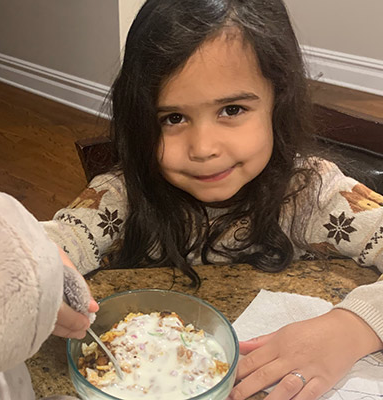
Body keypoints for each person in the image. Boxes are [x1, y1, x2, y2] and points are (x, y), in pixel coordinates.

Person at [42, 0, 383, 399]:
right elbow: (46, 243)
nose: (203, 148)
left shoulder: (313, 193)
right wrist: (36, 263)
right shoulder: (121, 197)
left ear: (279, 101)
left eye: (232, 109)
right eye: (172, 118)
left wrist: (356, 326)